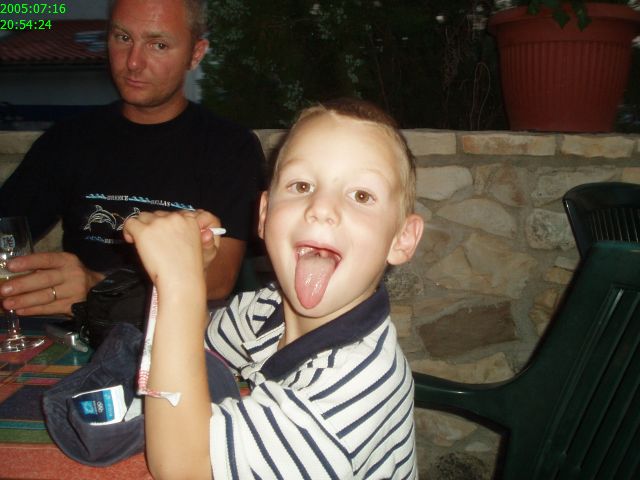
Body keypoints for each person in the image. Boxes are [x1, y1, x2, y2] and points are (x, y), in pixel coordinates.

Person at [123, 98, 424, 478]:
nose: (321, 208)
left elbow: (186, 467)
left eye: (361, 195)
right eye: (302, 185)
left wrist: (178, 283)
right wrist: (193, 269)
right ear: (264, 215)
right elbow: (191, 349)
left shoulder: (359, 383)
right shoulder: (267, 309)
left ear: (402, 239)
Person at [0, 0, 264, 316]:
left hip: (181, 332)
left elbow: (219, 279)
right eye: (123, 38)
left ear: (195, 54)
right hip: (82, 331)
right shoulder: (68, 140)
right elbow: (7, 228)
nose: (134, 62)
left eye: (158, 44)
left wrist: (98, 288)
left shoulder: (230, 147)